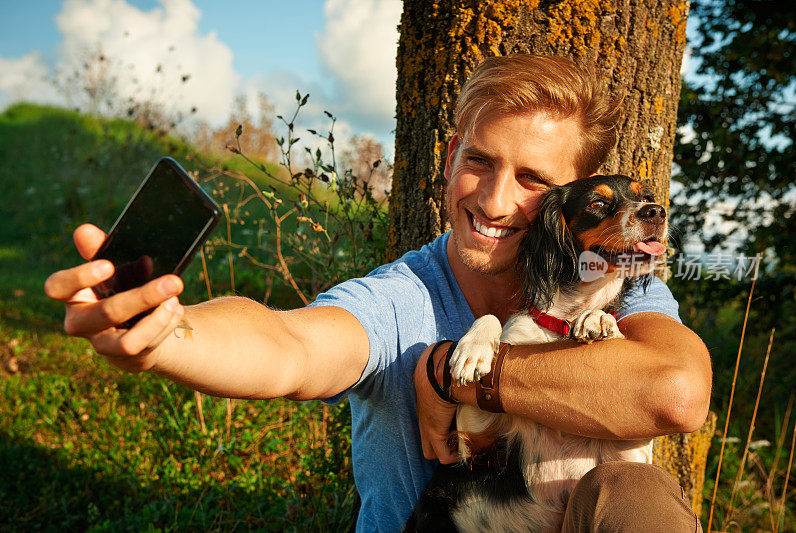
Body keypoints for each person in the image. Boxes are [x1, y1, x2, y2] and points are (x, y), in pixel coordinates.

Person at [45, 55, 711, 532]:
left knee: (634, 492)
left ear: (571, 201)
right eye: (479, 160)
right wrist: (173, 332)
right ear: (449, 158)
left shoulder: (618, 284)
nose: (494, 197)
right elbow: (290, 346)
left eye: (532, 178)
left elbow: (677, 391)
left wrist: (453, 374)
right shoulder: (402, 298)